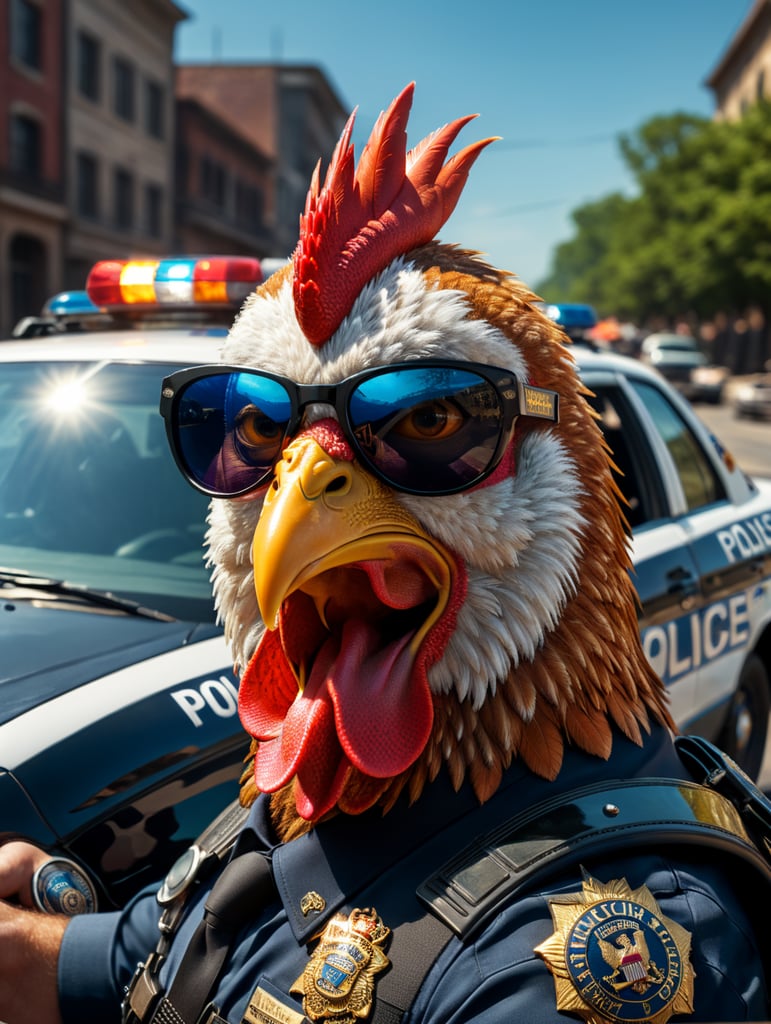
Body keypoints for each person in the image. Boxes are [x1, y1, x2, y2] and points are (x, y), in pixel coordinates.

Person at [2, 83, 770, 1024]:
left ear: (568, 464)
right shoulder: (298, 803)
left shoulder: (590, 958)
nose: (301, 484)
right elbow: (136, 967)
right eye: (259, 426)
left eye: (431, 420)